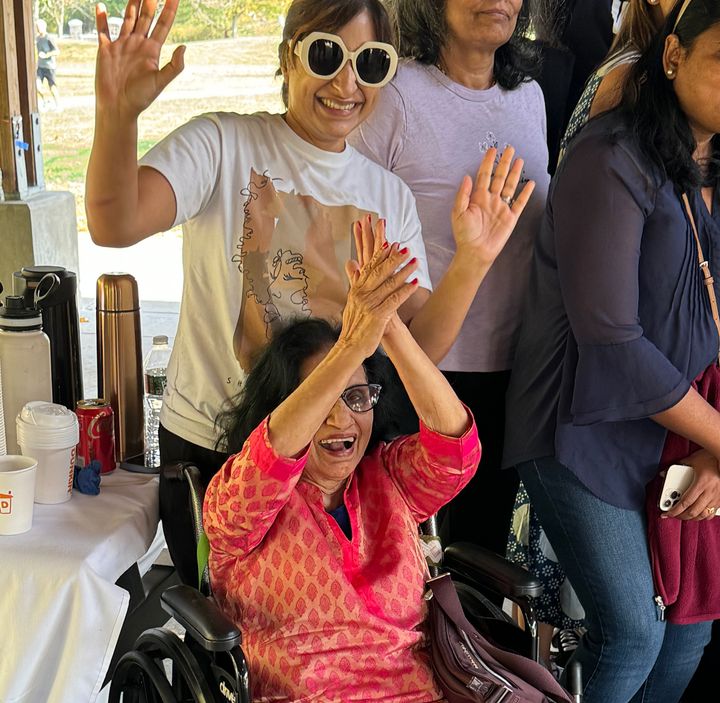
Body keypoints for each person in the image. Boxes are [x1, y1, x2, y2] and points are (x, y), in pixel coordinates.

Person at [85, 0, 534, 586]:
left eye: (370, 64)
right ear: (288, 57)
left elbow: (418, 343)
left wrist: (472, 261)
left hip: (333, 465)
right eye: (326, 55)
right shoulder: (222, 145)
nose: (346, 83)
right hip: (219, 453)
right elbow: (113, 223)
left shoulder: (388, 195)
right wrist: (116, 115)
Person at [503, 0, 720, 700]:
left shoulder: (713, 162)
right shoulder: (612, 155)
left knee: (689, 628)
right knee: (633, 631)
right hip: (579, 426)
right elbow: (611, 340)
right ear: (674, 58)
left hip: (678, 430)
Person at [204, 226, 480, 701]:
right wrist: (352, 344)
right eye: (324, 398)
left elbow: (456, 452)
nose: (342, 418)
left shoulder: (389, 478)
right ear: (283, 407)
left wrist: (388, 328)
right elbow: (272, 454)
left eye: (356, 396)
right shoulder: (242, 501)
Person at [349, 0, 550, 561]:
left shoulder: (529, 97)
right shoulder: (393, 94)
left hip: (515, 373)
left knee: (482, 561)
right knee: (413, 566)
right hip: (418, 373)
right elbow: (353, 222)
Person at [35, 18, 60, 110]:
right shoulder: (37, 39)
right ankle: (45, 101)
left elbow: (57, 51)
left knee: (52, 87)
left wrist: (46, 55)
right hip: (40, 67)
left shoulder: (49, 38)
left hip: (50, 67)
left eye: (39, 26)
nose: (38, 28)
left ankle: (58, 105)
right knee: (37, 86)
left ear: (44, 27)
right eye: (37, 27)